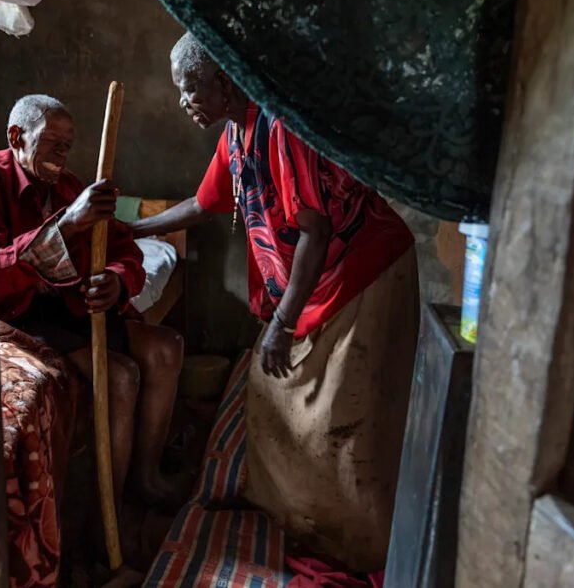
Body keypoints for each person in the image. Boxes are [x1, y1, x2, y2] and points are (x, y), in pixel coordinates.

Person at [132, 34, 420, 571]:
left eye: (190, 87)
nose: (183, 101)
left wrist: (281, 323)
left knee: (347, 414)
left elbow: (315, 232)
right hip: (318, 280)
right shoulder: (238, 134)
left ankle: (356, 542)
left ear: (224, 82)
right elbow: (202, 202)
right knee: (272, 396)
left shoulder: (283, 127)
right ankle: (302, 521)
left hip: (362, 273)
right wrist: (133, 228)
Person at [0, 94, 182, 508]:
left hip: (74, 307)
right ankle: (106, 513)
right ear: (16, 137)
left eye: (68, 144)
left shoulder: (69, 186)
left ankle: (146, 478)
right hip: (21, 316)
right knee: (120, 375)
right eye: (51, 142)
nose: (62, 154)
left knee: (167, 347)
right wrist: (67, 224)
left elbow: (123, 246)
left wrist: (118, 279)